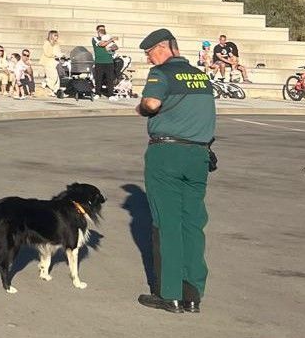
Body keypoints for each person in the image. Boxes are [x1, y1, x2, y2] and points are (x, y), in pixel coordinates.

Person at [134, 28, 215, 314]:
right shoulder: (201, 77)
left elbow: (152, 103)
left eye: (150, 53)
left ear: (164, 48)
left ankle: (170, 295)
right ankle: (193, 293)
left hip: (167, 154)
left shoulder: (161, 74)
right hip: (199, 156)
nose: (148, 60)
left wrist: (142, 107)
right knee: (193, 224)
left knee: (167, 223)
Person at [91, 24, 120, 96]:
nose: (102, 31)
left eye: (103, 29)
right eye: (101, 29)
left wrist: (112, 47)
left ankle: (110, 94)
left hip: (109, 61)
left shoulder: (108, 38)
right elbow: (102, 44)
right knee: (98, 79)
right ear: (97, 31)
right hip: (99, 62)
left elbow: (116, 47)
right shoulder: (95, 38)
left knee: (110, 79)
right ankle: (97, 93)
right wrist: (111, 40)